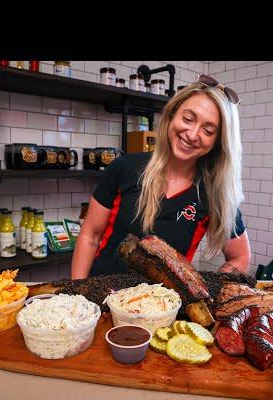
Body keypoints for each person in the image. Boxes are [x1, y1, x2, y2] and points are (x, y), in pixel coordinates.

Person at [71, 73, 251, 279]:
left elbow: (241, 257)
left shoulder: (215, 193)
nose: (192, 134)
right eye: (188, 119)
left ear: (218, 142)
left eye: (208, 131)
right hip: (101, 298)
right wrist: (78, 294)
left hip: (164, 308)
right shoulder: (124, 167)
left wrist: (207, 290)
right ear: (172, 115)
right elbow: (90, 236)